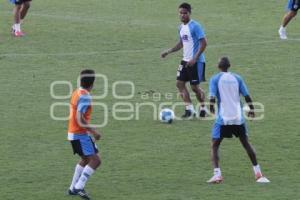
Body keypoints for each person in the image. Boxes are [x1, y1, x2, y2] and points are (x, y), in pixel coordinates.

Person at [207, 57, 270, 184]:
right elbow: (247, 96)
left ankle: (217, 175)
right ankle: (258, 173)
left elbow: (212, 97)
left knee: (214, 145)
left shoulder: (215, 79)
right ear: (229, 66)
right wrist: (252, 109)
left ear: (219, 66)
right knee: (246, 144)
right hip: (238, 118)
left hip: (223, 119)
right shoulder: (237, 78)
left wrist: (211, 108)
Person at [161, 2, 208, 118]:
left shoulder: (195, 26)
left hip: (196, 62)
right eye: (180, 13)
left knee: (194, 88)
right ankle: (190, 110)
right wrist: (169, 51)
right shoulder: (181, 28)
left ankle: (203, 107)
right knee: (179, 83)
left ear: (189, 13)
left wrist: (195, 58)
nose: (182, 15)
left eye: (185, 13)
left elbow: (204, 43)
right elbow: (182, 43)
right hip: (185, 61)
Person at [67, 69, 102, 199]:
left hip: (73, 133)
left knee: (85, 159)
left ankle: (72, 188)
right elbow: (79, 118)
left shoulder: (77, 92)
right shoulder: (85, 96)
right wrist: (94, 131)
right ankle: (79, 187)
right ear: (92, 84)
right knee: (96, 161)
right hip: (80, 134)